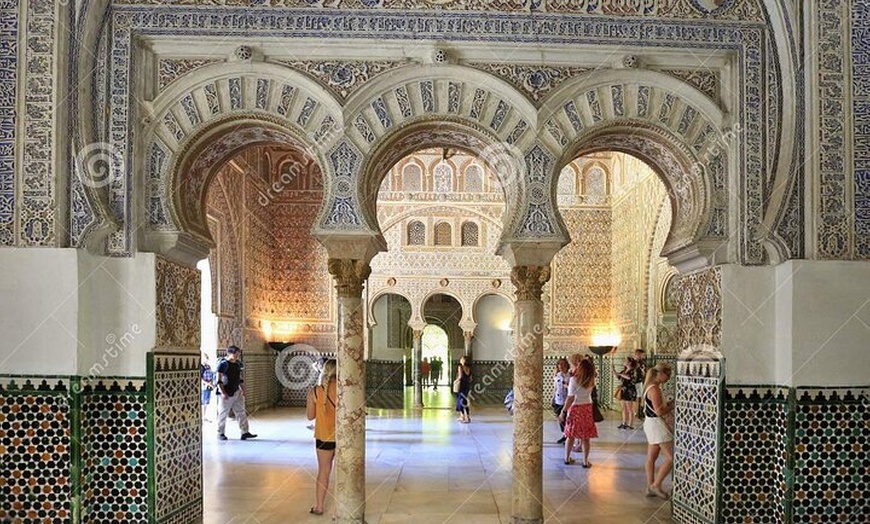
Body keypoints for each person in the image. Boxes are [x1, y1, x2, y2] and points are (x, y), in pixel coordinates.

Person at [306, 358, 337, 516]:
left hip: (324, 437)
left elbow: (310, 416)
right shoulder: (346, 390)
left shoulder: (315, 391)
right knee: (344, 473)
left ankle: (319, 506)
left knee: (323, 471)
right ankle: (341, 510)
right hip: (343, 437)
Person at [642, 363, 674, 500]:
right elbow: (659, 411)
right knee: (671, 458)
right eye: (668, 375)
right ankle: (656, 485)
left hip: (650, 423)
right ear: (660, 374)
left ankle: (650, 486)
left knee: (652, 457)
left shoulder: (649, 386)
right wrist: (672, 406)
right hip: (656, 425)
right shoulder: (654, 389)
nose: (669, 378)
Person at [560, 356, 597, 467]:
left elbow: (570, 397)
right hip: (587, 408)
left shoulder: (574, 380)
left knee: (570, 435)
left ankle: (566, 459)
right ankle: (585, 461)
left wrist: (563, 411)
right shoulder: (591, 380)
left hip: (575, 408)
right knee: (586, 437)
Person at [215, 345, 257, 441]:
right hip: (226, 391)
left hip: (236, 391)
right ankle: (220, 433)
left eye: (238, 354)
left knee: (241, 412)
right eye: (235, 354)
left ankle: (244, 432)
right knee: (223, 413)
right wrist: (223, 392)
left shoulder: (238, 364)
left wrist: (242, 389)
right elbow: (218, 380)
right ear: (230, 353)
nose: (237, 356)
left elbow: (239, 378)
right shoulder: (223, 364)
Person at [615, 356, 639, 429]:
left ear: (630, 362)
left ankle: (630, 424)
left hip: (630, 391)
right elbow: (619, 377)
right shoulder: (623, 371)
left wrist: (621, 374)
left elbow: (630, 378)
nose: (624, 361)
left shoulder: (633, 371)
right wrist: (614, 371)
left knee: (630, 408)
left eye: (626, 360)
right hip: (623, 390)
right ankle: (624, 423)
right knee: (623, 408)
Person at [552, 357, 570, 444]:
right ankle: (564, 435)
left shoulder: (570, 376)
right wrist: (553, 397)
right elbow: (555, 387)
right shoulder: (557, 375)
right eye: (559, 365)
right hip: (558, 400)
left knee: (566, 418)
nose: (561, 366)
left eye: (563, 365)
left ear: (566, 365)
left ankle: (568, 436)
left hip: (567, 400)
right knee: (560, 419)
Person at [455, 355, 472, 423]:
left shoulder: (460, 367)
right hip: (467, 386)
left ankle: (465, 418)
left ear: (463, 361)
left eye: (461, 359)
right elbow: (471, 379)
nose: (460, 360)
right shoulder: (469, 368)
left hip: (461, 386)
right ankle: (464, 416)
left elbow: (460, 376)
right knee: (464, 401)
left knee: (461, 402)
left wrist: (455, 381)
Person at [633, 349, 648, 421]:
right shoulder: (632, 362)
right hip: (634, 382)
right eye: (641, 355)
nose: (642, 357)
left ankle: (639, 412)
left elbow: (644, 372)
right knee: (635, 397)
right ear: (637, 354)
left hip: (639, 381)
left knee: (639, 397)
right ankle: (635, 412)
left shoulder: (642, 363)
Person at [200, 353, 215, 422]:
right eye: (205, 358)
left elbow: (211, 375)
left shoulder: (208, 366)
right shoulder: (200, 367)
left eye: (207, 358)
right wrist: (208, 384)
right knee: (203, 402)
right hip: (204, 387)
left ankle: (204, 416)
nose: (206, 359)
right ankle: (202, 417)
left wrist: (211, 383)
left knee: (206, 402)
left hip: (208, 386)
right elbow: (200, 378)